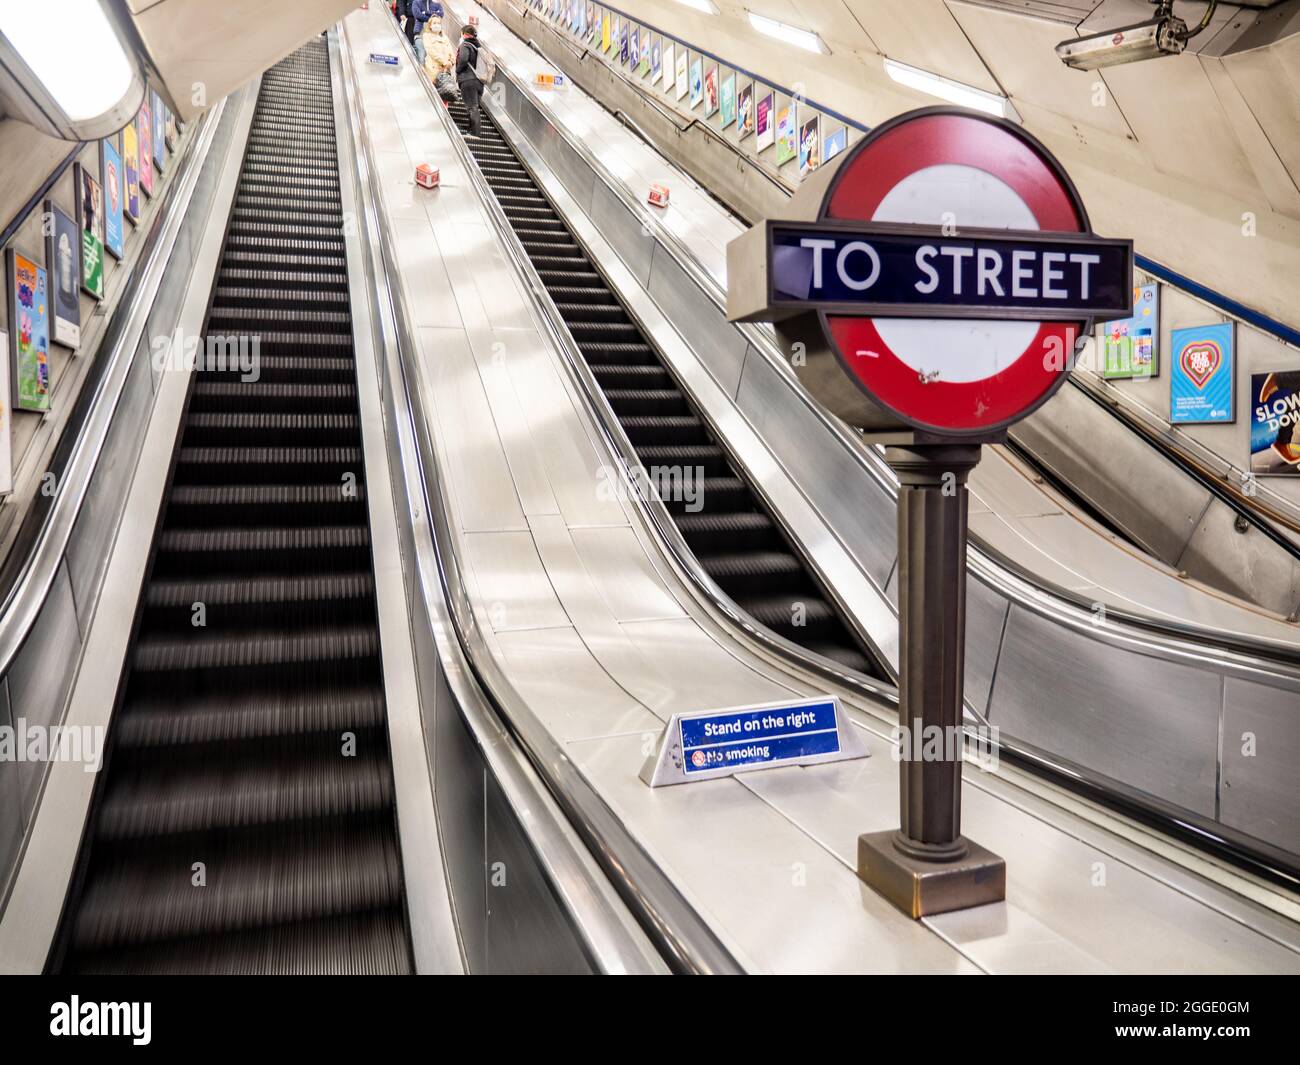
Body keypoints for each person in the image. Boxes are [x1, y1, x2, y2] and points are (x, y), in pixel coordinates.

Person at [456, 23, 485, 136]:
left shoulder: (466, 45)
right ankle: (473, 131)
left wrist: (458, 71)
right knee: (474, 107)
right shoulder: (478, 47)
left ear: (464, 34)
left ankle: (475, 133)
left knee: (472, 107)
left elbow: (463, 60)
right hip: (479, 82)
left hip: (468, 80)